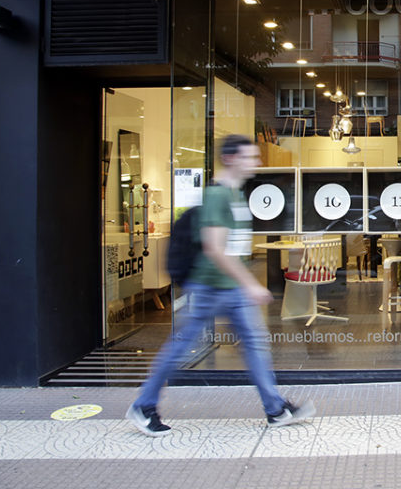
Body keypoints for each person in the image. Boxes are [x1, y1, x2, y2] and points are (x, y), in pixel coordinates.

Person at [127, 134, 315, 436]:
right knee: (181, 346)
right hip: (210, 287)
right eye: (249, 157)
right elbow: (214, 248)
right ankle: (144, 404)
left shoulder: (236, 193)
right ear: (230, 159)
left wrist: (243, 283)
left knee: (254, 345)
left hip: (230, 288)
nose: (256, 162)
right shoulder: (217, 195)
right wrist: (250, 282)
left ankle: (276, 409)